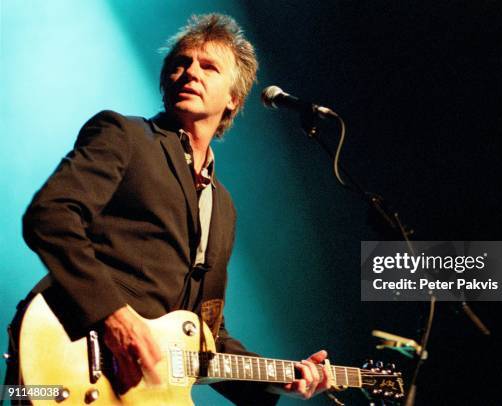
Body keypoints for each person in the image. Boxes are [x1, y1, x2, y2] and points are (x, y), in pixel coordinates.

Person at [6, 13, 330, 404]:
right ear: (164, 81)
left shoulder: (222, 208)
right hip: (66, 358)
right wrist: (115, 318)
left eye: (209, 66)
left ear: (233, 99)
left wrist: (281, 379)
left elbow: (208, 335)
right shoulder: (125, 135)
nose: (190, 71)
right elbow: (50, 216)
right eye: (181, 63)